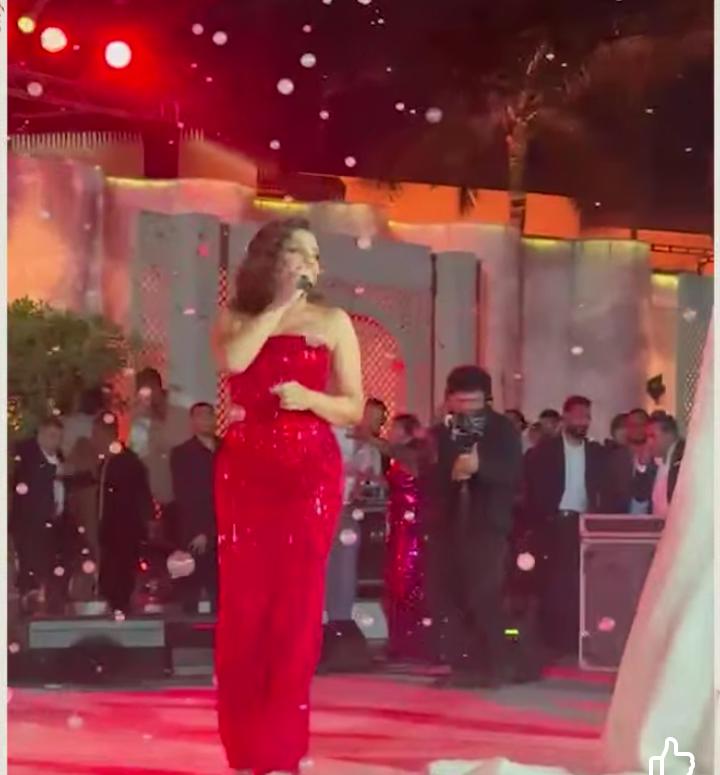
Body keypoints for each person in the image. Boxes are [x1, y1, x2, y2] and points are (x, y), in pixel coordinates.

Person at [212, 217, 363, 775]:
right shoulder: (236, 316)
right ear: (272, 258)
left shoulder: (333, 321)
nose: (312, 264)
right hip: (247, 468)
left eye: (316, 255)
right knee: (246, 606)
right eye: (301, 252)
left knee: (296, 609)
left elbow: (353, 406)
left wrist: (309, 399)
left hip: (308, 472)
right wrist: (278, 306)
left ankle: (282, 748)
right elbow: (235, 362)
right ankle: (246, 747)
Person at [423, 365, 522, 688]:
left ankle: (496, 664)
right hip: (448, 525)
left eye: (474, 402)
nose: (467, 409)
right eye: (461, 401)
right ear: (449, 400)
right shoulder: (439, 434)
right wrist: (449, 474)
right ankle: (462, 665)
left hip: (487, 526)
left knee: (485, 595)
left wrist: (481, 468)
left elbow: (513, 474)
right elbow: (426, 477)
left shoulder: (502, 429)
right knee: (450, 596)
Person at [524, 395, 605, 656]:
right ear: (566, 417)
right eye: (579, 416)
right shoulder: (544, 452)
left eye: (587, 417)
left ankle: (575, 638)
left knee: (579, 583)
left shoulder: (596, 453)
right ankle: (552, 640)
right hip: (553, 523)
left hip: (584, 525)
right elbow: (531, 491)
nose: (584, 422)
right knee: (552, 583)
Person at [325, 397, 388, 624]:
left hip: (348, 510)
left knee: (345, 566)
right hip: (322, 509)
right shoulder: (335, 433)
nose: (373, 423)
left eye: (378, 420)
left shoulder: (372, 448)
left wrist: (366, 483)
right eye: (370, 416)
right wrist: (346, 471)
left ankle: (340, 620)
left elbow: (373, 480)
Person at [92, 413, 154, 617]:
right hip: (112, 530)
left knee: (120, 574)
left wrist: (145, 523)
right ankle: (116, 605)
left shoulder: (126, 461)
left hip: (123, 529)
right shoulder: (107, 461)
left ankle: (120, 608)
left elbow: (139, 495)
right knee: (114, 573)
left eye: (96, 433)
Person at [382, 413, 430, 661]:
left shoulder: (413, 454)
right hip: (399, 521)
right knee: (397, 580)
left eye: (395, 428)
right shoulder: (400, 456)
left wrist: (368, 438)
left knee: (407, 580)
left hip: (411, 525)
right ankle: (400, 641)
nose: (391, 432)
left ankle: (410, 642)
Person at [10, 417, 65, 613]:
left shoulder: (57, 457)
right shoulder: (30, 457)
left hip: (52, 524)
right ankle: (30, 607)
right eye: (52, 436)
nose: (55, 442)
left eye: (59, 437)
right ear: (40, 434)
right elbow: (33, 481)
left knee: (47, 569)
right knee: (32, 568)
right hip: (31, 525)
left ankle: (43, 603)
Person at [170, 402, 219, 612]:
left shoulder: (228, 449)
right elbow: (185, 496)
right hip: (196, 533)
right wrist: (201, 531)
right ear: (192, 421)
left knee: (222, 593)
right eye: (201, 416)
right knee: (191, 590)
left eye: (209, 415)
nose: (206, 420)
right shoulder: (183, 454)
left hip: (225, 530)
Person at [603, 407, 654, 513]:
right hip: (620, 518)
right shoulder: (614, 458)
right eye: (632, 425)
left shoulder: (656, 457)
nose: (637, 428)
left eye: (641, 424)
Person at [647, 412, 685, 520]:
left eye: (652, 436)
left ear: (669, 435)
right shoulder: (654, 462)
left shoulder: (684, 459)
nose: (648, 442)